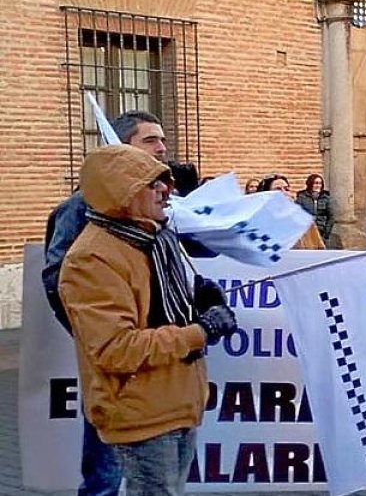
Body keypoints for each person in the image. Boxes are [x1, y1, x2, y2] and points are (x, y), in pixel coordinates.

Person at [58, 144, 238, 496]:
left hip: (178, 402)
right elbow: (116, 349)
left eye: (165, 181)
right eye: (151, 183)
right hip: (140, 413)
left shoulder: (155, 239)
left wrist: (199, 298)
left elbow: (165, 305)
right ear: (120, 193)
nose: (165, 190)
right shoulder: (92, 259)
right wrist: (201, 331)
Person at [42, 110, 169, 496]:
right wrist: (98, 336)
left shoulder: (155, 202)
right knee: (105, 475)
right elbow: (57, 279)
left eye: (162, 140)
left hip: (153, 357)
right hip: (114, 362)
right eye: (150, 140)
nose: (162, 148)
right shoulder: (82, 205)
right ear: (121, 146)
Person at [258, 175, 326, 250]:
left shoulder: (305, 222)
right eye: (278, 190)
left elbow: (320, 250)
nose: (284, 193)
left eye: (286, 189)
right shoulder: (259, 224)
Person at [295, 174, 334, 245]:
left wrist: (326, 234)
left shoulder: (326, 198)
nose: (318, 186)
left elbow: (331, 217)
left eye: (320, 183)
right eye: (316, 183)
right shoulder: (302, 197)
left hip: (321, 231)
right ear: (310, 184)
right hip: (307, 231)